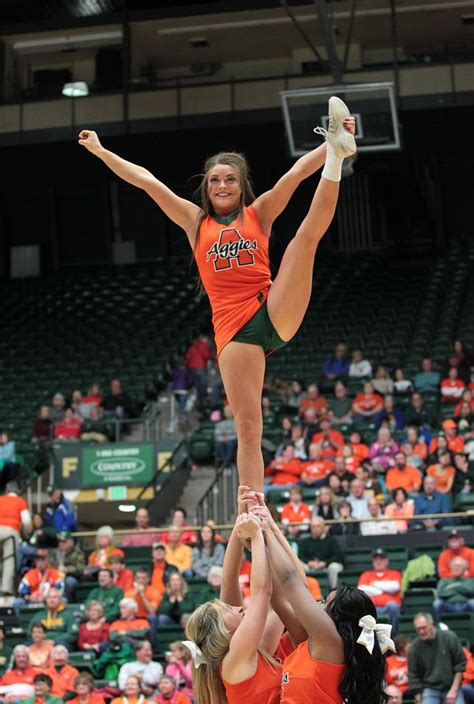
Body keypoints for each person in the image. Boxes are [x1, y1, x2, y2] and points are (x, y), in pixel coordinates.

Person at [79, 98, 356, 498]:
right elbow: (146, 181)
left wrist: (333, 142)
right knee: (248, 424)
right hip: (235, 332)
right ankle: (251, 504)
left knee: (302, 244)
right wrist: (102, 151)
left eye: (229, 179)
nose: (222, 185)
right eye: (214, 180)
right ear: (206, 188)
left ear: (241, 186)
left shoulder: (258, 213)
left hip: (273, 308)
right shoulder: (195, 223)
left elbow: (295, 175)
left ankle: (337, 156)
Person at [258, 501, 393, 704]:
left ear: (336, 616)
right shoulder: (314, 642)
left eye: (325, 602)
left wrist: (266, 530)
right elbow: (279, 600)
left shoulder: (330, 641)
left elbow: (290, 581)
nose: (318, 604)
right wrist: (263, 543)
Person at [184, 508, 283, 704]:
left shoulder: (250, 652)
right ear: (222, 630)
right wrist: (256, 537)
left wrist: (241, 519)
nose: (237, 608)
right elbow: (262, 593)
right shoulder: (236, 658)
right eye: (227, 609)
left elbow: (228, 579)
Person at [408, 611, 466, 704]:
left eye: (424, 627)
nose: (421, 631)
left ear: (432, 624)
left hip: (451, 686)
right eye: (418, 629)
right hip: (429, 688)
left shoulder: (449, 637)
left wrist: (454, 690)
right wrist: (418, 702)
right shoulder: (414, 647)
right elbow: (414, 676)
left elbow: (460, 666)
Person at [357, 549, 401, 633]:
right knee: (362, 607)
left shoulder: (395, 573)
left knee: (393, 606)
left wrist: (374, 584)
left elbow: (395, 587)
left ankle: (393, 637)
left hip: (388, 607)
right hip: (372, 607)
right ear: (373, 562)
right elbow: (361, 589)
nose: (378, 561)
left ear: (387, 561)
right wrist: (382, 590)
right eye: (376, 559)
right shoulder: (366, 574)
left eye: (381, 559)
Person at [0, 481, 31, 595]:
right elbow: (26, 520)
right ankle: (5, 589)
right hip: (10, 531)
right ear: (17, 491)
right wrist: (25, 533)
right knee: (9, 560)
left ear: (6, 491)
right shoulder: (20, 501)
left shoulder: (0, 499)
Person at [297, 517, 344, 589]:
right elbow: (301, 556)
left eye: (318, 526)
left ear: (323, 527)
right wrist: (309, 562)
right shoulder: (304, 541)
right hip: (309, 566)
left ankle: (334, 591)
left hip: (327, 565)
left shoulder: (331, 540)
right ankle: (304, 590)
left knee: (334, 567)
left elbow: (338, 555)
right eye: (313, 527)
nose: (315, 529)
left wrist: (325, 563)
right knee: (299, 565)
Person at [15, 549, 64, 614]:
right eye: (38, 559)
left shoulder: (54, 573)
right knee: (18, 602)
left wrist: (48, 597)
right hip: (32, 601)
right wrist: (30, 597)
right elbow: (22, 592)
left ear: (47, 560)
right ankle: (23, 623)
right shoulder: (30, 574)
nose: (40, 562)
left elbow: (60, 590)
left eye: (42, 559)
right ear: (35, 561)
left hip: (49, 601)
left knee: (63, 600)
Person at [433, 557, 474, 622]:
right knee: (437, 603)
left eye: (459, 566)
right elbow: (441, 593)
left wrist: (452, 587)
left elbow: (471, 591)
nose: (456, 568)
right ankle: (438, 627)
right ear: (451, 567)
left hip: (465, 605)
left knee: (473, 602)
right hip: (449, 606)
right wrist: (462, 589)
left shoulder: (471, 581)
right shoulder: (444, 581)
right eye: (454, 566)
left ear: (464, 568)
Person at [49, 532, 85, 601]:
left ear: (71, 542)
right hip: (55, 575)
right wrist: (57, 569)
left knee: (70, 581)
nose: (61, 543)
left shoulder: (78, 552)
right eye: (60, 541)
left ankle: (65, 600)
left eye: (64, 541)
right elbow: (50, 564)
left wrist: (67, 569)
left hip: (71, 576)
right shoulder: (54, 552)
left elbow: (80, 569)